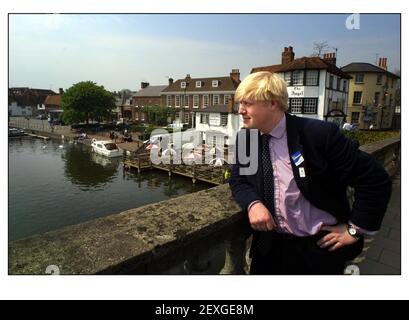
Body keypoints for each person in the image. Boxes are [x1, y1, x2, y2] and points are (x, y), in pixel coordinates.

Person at [229, 71, 392, 275]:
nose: (240, 110)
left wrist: (355, 229)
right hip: (269, 247)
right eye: (240, 104)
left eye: (247, 103)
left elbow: (374, 180)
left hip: (318, 249)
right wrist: (253, 204)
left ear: (272, 103)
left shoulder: (317, 135)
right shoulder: (247, 139)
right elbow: (238, 180)